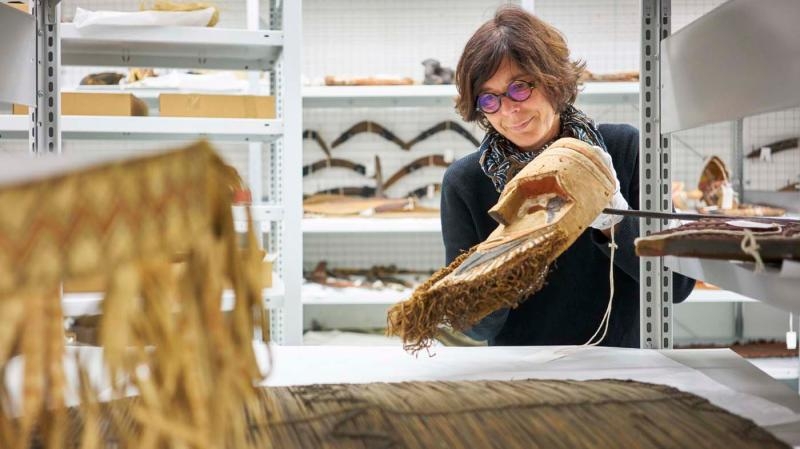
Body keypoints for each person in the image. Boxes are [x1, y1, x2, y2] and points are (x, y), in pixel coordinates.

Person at [442, 5, 695, 348]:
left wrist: (613, 220)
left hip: (622, 366)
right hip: (519, 375)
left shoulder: (624, 151)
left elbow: (677, 285)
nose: (509, 110)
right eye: (489, 98)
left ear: (553, 81)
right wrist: (506, 256)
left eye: (520, 87)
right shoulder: (466, 182)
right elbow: (475, 327)